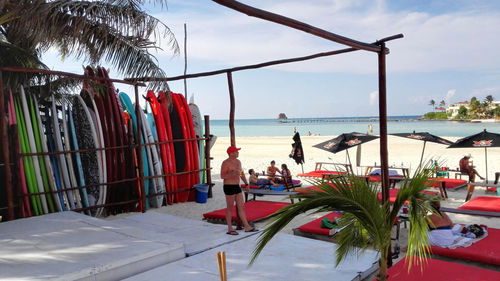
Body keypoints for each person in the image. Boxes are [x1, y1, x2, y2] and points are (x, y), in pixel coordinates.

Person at [220, 146, 258, 235]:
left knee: (241, 207)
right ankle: (230, 228)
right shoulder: (225, 163)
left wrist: (246, 184)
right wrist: (233, 173)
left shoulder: (238, 162)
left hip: (237, 186)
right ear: (231, 153)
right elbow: (222, 176)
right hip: (229, 186)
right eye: (236, 151)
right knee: (229, 208)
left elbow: (241, 173)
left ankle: (247, 226)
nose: (238, 153)